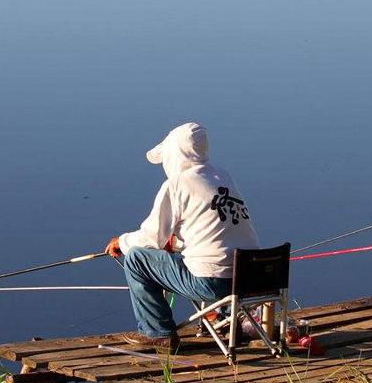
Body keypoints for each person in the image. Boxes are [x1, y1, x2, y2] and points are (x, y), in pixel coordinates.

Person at [105, 122, 260, 349]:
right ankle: (226, 316)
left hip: (214, 283)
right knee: (197, 256)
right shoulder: (222, 176)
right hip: (250, 279)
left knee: (137, 258)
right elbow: (212, 229)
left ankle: (157, 332)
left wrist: (122, 241)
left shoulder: (177, 184)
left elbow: (151, 238)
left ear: (175, 155)